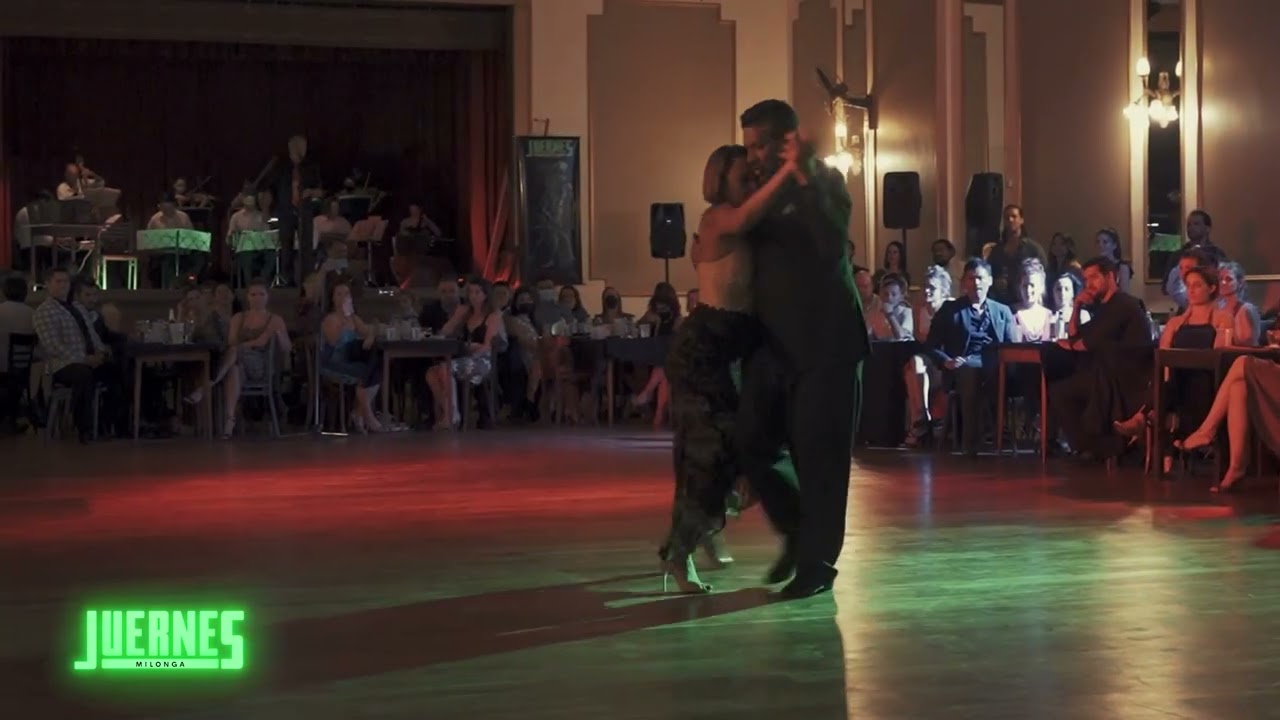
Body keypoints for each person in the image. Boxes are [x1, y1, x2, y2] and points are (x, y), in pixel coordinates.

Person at [724, 99, 868, 599]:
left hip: (827, 345)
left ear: (787, 139)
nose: (755, 155)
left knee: (821, 459)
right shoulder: (760, 190)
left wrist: (803, 176)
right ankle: (796, 533)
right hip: (774, 346)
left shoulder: (824, 181)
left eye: (762, 144)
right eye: (749, 147)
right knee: (751, 440)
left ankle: (817, 564)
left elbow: (831, 246)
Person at [659, 141, 800, 593]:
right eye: (744, 176)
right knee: (709, 454)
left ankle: (703, 533)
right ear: (721, 180)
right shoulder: (717, 217)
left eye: (753, 177)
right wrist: (789, 169)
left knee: (741, 451)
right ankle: (680, 552)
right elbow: (745, 218)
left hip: (738, 346)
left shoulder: (746, 225)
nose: (751, 182)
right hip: (705, 349)